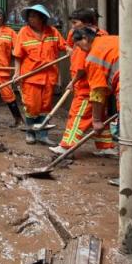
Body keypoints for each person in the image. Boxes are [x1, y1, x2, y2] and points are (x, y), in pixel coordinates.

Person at [51, 9, 115, 157]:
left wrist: (72, 82)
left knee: (78, 115)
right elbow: (70, 48)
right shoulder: (100, 34)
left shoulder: (86, 40)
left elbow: (81, 67)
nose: (73, 27)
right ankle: (105, 146)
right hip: (99, 84)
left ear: (86, 23)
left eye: (75, 23)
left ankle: (66, 146)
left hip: (87, 86)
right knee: (100, 116)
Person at [13, 4, 67, 145]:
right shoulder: (23, 33)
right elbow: (18, 55)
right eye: (30, 16)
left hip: (49, 76)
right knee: (32, 106)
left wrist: (71, 49)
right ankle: (30, 133)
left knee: (45, 107)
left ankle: (43, 134)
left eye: (34, 16)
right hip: (30, 76)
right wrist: (17, 73)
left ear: (42, 18)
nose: (31, 19)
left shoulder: (53, 32)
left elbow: (63, 46)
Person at [72, 27, 120, 136]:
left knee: (130, 134)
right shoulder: (112, 39)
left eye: (79, 46)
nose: (82, 50)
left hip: (127, 89)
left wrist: (96, 120)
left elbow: (98, 92)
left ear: (85, 38)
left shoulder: (93, 58)